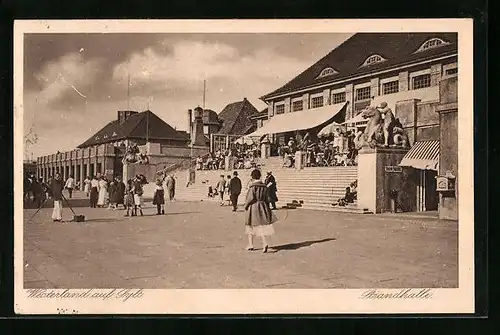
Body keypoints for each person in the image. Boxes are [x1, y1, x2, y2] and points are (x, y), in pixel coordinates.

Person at [244, 169, 277, 253]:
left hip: (254, 206)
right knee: (260, 226)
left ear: (252, 176)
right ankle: (264, 242)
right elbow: (267, 198)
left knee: (250, 225)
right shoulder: (264, 186)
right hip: (262, 205)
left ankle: (251, 244)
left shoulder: (253, 186)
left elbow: (250, 198)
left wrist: (246, 205)